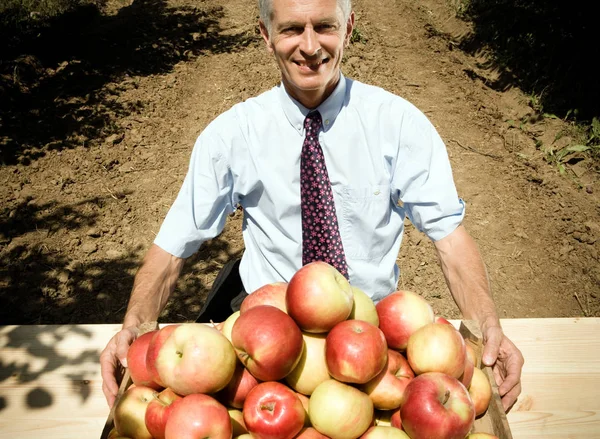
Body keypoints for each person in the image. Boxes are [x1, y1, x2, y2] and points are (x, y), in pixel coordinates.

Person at [100, 0, 524, 412]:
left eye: (324, 25)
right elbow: (174, 244)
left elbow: (449, 237)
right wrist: (134, 325)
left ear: (349, 27)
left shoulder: (398, 125)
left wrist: (487, 324)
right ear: (265, 35)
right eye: (290, 29)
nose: (309, 45)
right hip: (266, 332)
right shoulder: (233, 135)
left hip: (371, 334)